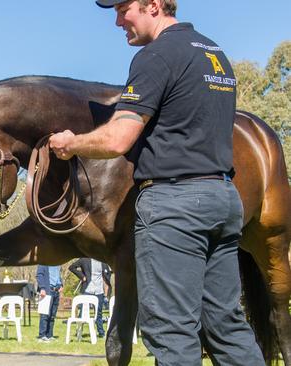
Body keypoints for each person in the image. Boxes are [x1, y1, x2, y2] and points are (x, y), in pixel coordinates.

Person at [49, 0, 265, 364]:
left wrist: (73, 143)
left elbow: (119, 138)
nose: (118, 21)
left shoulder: (157, 56)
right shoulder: (214, 54)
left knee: (170, 329)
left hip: (175, 207)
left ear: (153, 5)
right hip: (223, 199)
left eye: (123, 10)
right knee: (226, 326)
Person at [68, 258, 111, 338]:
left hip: (99, 291)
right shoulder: (84, 259)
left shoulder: (103, 262)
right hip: (87, 290)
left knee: (98, 313)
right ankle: (79, 333)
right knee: (82, 313)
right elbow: (71, 267)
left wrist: (106, 293)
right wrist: (82, 276)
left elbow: (106, 277)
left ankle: (101, 333)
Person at [36, 265, 62, 342]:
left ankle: (49, 335)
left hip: (56, 291)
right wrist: (42, 288)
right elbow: (39, 275)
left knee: (52, 315)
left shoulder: (57, 263)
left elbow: (58, 275)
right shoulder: (43, 262)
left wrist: (61, 284)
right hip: (47, 290)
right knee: (44, 314)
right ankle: (42, 335)